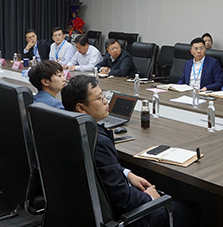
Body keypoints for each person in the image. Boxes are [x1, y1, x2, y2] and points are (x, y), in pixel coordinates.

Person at [61, 75, 202, 227]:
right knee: (194, 209)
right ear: (81, 108)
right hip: (126, 218)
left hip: (82, 212)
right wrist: (149, 198)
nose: (106, 101)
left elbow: (99, 170)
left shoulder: (70, 130)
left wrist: (127, 173)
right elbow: (121, 197)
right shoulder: (97, 141)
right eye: (100, 98)